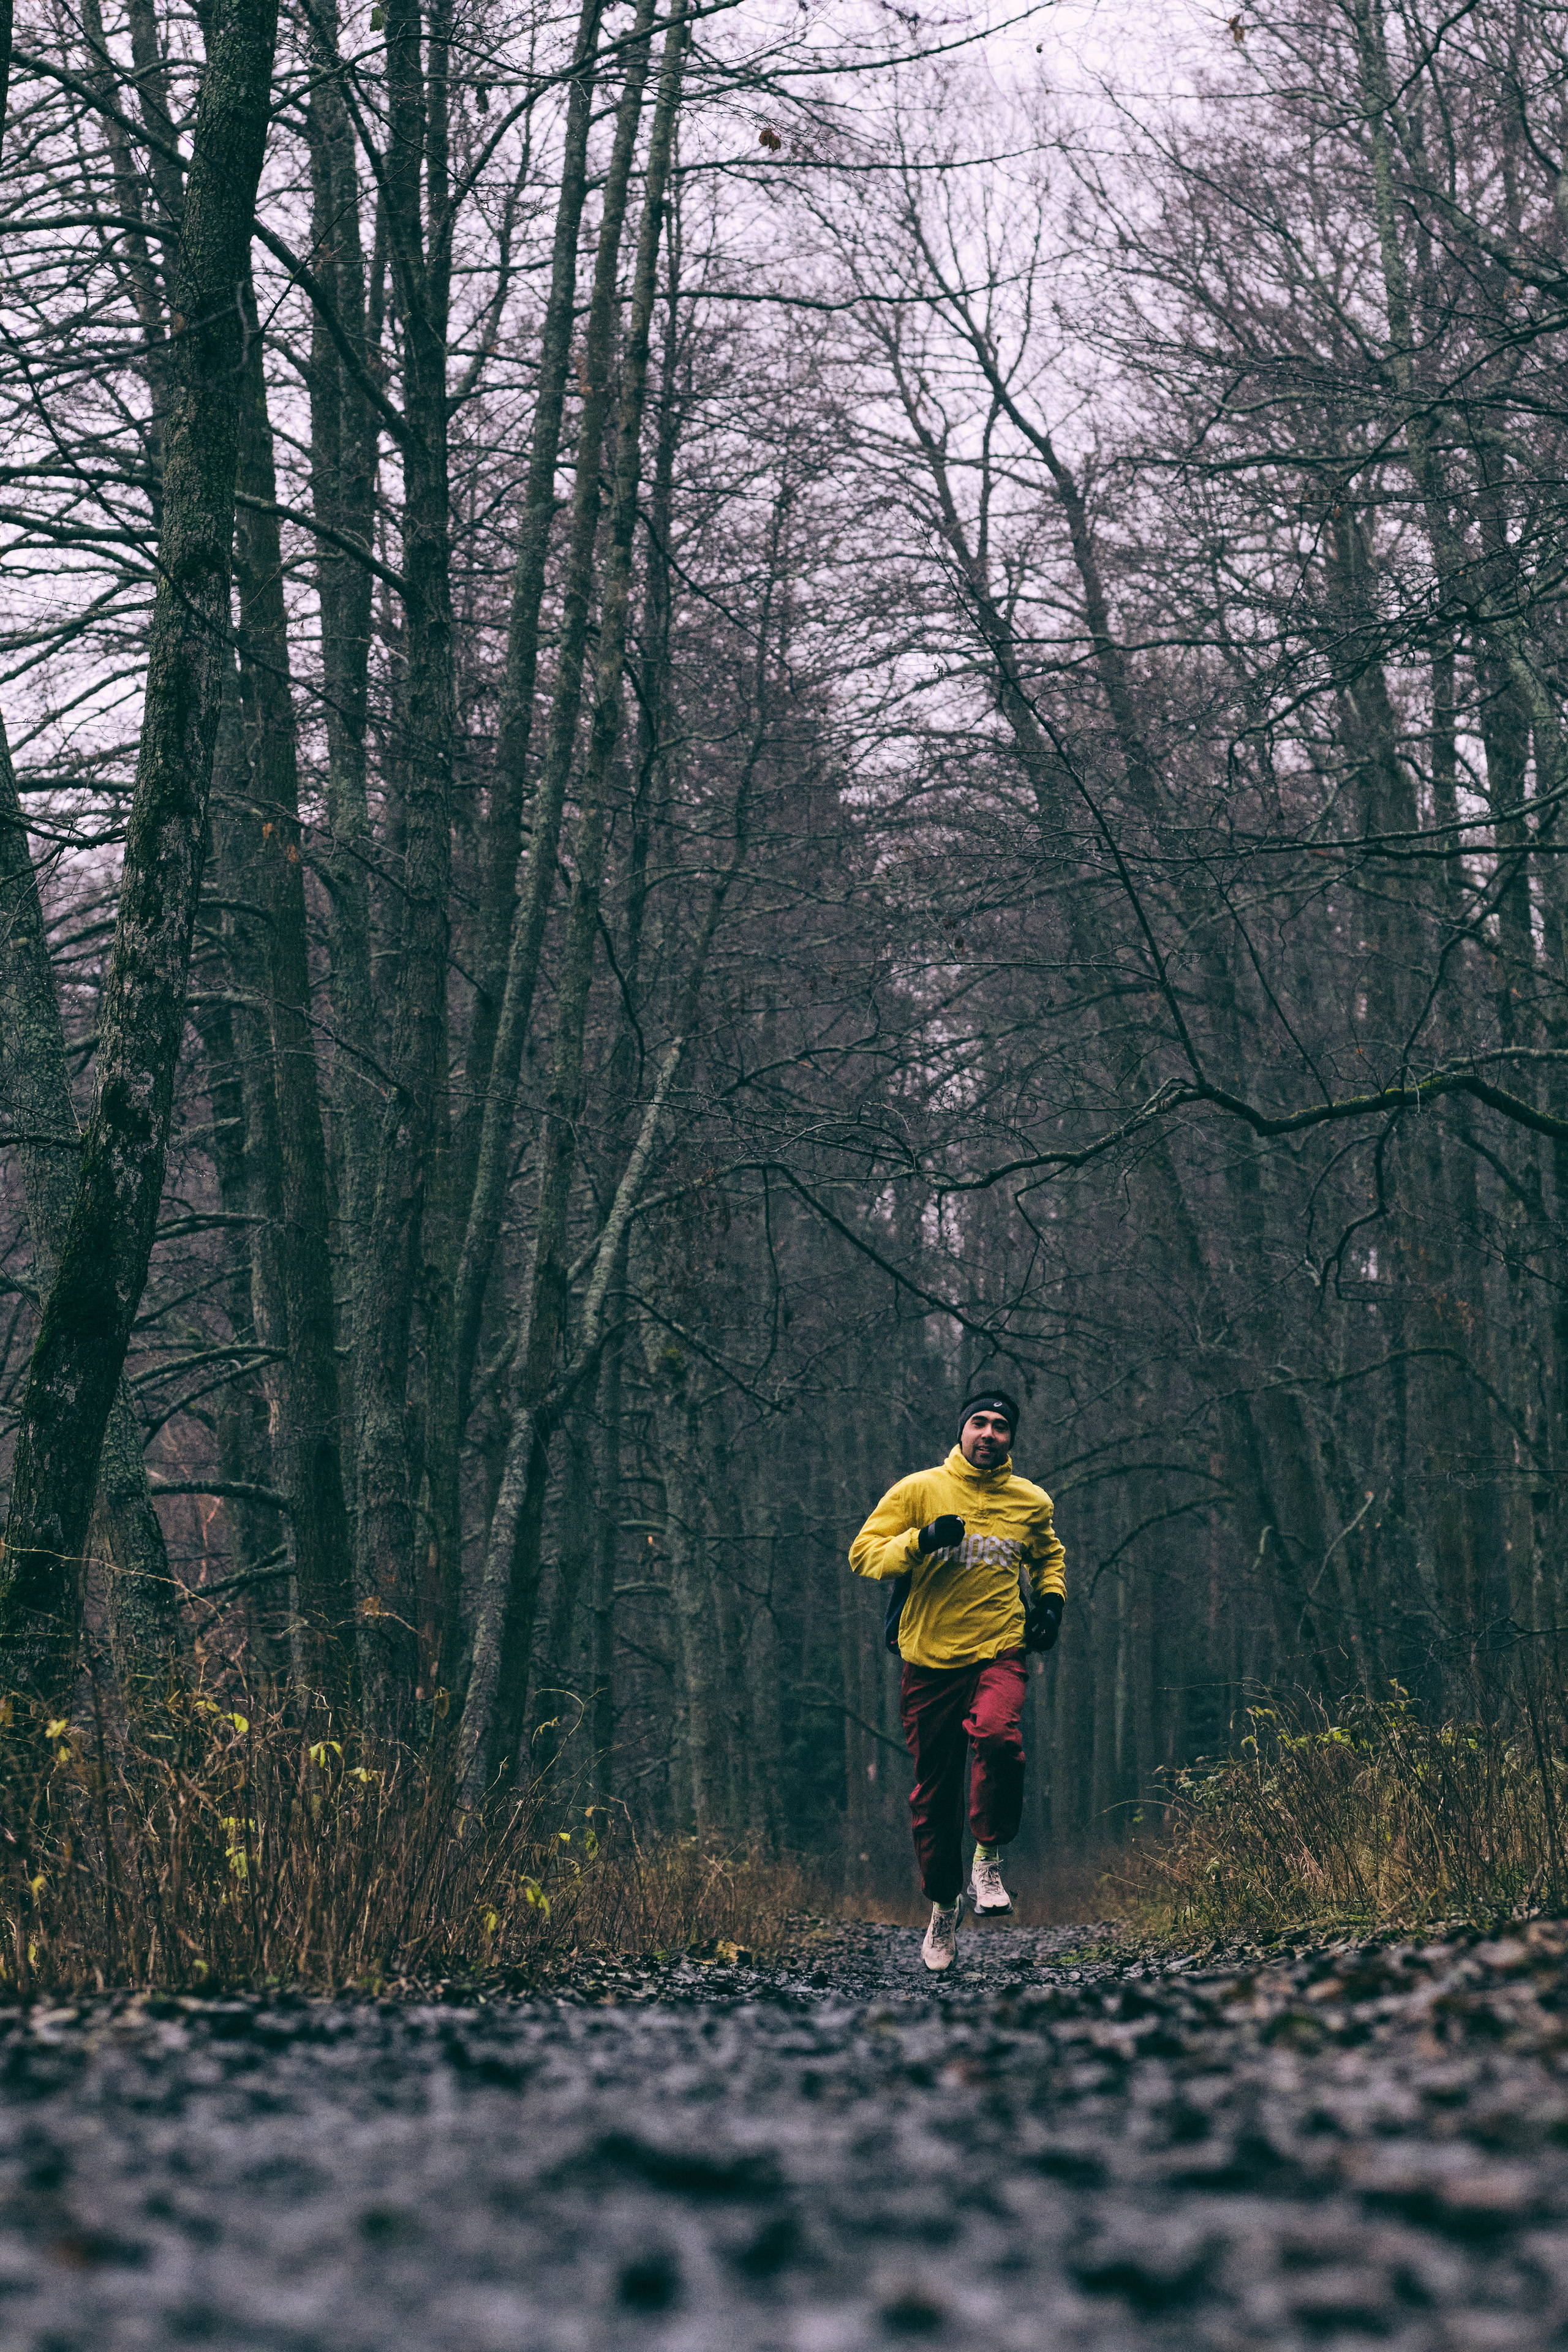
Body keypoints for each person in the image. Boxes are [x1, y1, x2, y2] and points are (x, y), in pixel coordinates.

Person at [848, 1386, 1066, 1972]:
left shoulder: (1031, 1501)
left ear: (1011, 1438)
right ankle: (944, 1905)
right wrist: (920, 1541)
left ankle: (988, 1860)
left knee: (998, 1736)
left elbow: (1048, 1557)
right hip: (929, 1659)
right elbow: (864, 1554)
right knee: (934, 1794)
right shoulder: (919, 1490)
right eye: (979, 1423)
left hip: (999, 1650)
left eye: (1001, 1426)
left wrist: (1050, 1603)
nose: (989, 1433)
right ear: (962, 1430)